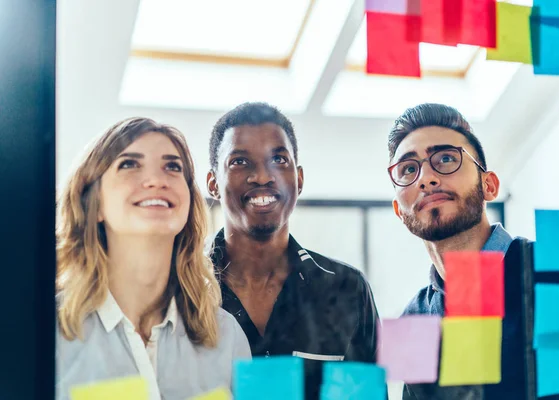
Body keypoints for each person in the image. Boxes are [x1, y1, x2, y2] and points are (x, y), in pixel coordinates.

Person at [387, 103, 559, 399]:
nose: (426, 178)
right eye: (409, 169)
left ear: (489, 185)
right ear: (399, 210)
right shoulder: (413, 320)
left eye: (446, 159)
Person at [55, 117, 251, 400]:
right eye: (129, 164)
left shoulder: (226, 336)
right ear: (94, 203)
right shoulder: (45, 335)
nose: (157, 180)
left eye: (172, 167)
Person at [205, 102, 380, 400]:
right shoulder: (180, 287)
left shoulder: (347, 289)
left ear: (299, 179)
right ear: (213, 183)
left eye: (278, 159)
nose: (262, 176)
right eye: (239, 162)